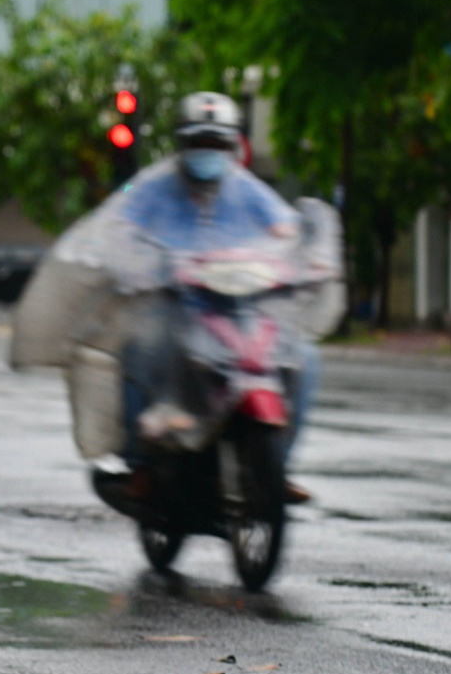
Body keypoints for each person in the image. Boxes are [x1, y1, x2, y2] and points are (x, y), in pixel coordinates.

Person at [117, 92, 319, 495]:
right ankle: (141, 464)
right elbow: (121, 232)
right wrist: (136, 263)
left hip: (240, 311)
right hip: (176, 310)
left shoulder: (248, 191)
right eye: (199, 142)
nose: (207, 152)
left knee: (305, 357)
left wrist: (306, 258)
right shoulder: (154, 189)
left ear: (232, 146)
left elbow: (285, 231)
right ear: (182, 144)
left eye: (217, 142)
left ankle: (278, 466)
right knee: (137, 349)